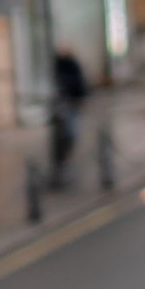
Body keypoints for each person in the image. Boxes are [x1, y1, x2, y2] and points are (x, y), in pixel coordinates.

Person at [49, 44, 88, 188]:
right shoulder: (58, 64)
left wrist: (80, 99)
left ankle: (68, 158)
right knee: (62, 137)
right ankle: (63, 164)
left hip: (72, 104)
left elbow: (80, 84)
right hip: (63, 105)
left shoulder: (72, 65)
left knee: (70, 134)